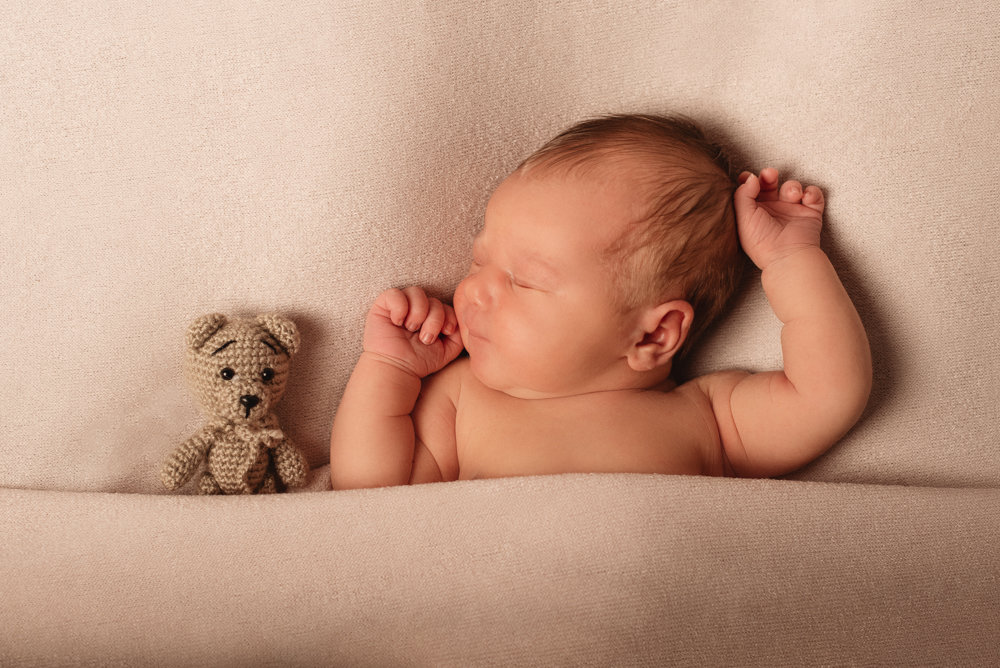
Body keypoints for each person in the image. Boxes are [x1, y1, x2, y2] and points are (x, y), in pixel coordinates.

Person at [329, 114, 872, 488]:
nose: (471, 290)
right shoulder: (463, 400)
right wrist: (388, 367)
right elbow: (371, 494)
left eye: (526, 281)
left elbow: (827, 394)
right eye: (479, 262)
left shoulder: (707, 419)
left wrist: (789, 261)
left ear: (653, 335)